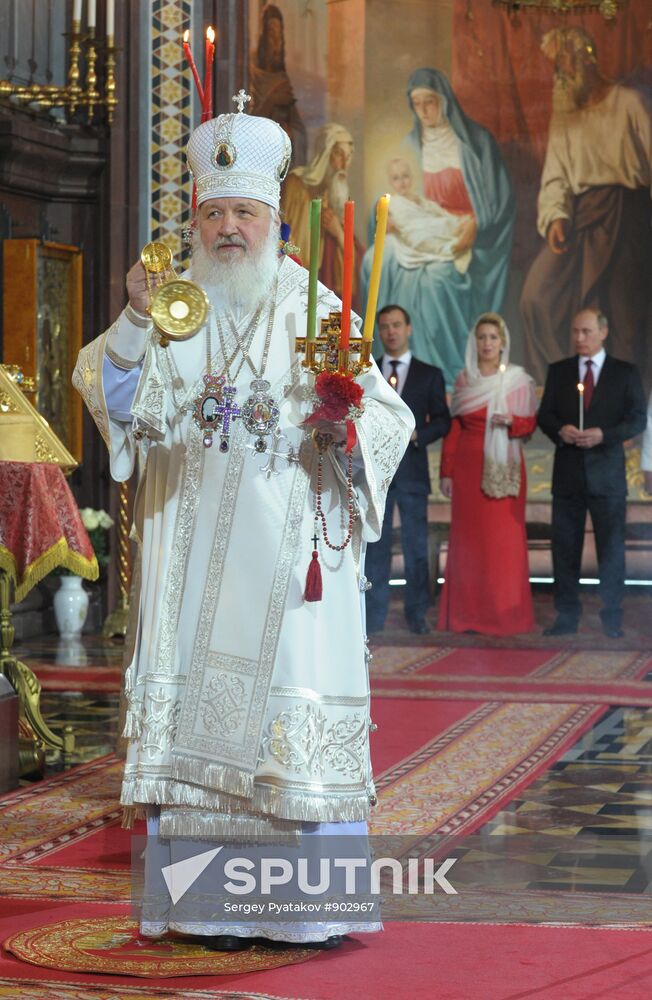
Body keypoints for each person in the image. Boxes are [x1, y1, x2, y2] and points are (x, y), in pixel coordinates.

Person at [73, 102, 414, 949]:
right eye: (214, 212)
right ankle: (208, 911)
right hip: (190, 572)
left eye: (244, 213)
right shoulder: (169, 307)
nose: (228, 228)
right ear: (196, 218)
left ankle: (300, 913)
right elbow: (109, 396)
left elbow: (388, 416)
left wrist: (345, 428)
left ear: (275, 221)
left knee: (280, 734)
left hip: (291, 573)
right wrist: (134, 317)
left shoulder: (318, 307)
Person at [361, 67, 514, 388]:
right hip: (420, 232)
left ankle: (443, 373)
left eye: (430, 101)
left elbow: (499, 201)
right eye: (417, 104)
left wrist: (476, 224)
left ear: (445, 101)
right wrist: (385, 223)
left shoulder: (476, 143)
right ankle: (384, 368)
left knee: (436, 280)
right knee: (378, 258)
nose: (425, 111)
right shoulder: (409, 145)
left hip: (464, 232)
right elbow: (393, 196)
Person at [521, 28, 652, 386]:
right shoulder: (565, 115)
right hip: (581, 218)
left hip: (630, 215)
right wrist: (556, 217)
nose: (561, 73)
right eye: (556, 67)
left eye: (566, 62)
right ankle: (561, 388)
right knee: (537, 296)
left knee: (625, 312)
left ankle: (627, 407)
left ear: (587, 59)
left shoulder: (630, 101)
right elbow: (555, 178)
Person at [537, 308, 646, 638]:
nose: (579, 338)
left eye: (585, 332)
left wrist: (604, 434)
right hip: (568, 475)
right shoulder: (560, 371)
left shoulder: (624, 372)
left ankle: (611, 616)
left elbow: (637, 419)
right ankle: (566, 615)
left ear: (603, 332)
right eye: (575, 332)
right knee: (565, 549)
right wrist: (562, 430)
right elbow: (545, 416)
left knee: (611, 550)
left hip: (608, 477)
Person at [438, 313, 537, 636]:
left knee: (503, 543)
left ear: (503, 343)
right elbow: (454, 428)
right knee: (468, 544)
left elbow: (529, 426)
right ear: (475, 342)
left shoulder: (518, 380)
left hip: (504, 468)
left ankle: (506, 617)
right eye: (482, 337)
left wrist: (511, 421)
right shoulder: (465, 380)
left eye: (493, 337)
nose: (487, 343)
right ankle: (467, 617)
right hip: (467, 467)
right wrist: (447, 472)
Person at [365, 304, 450, 636]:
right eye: (384, 326)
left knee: (416, 546)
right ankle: (374, 615)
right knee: (377, 545)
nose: (391, 332)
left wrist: (418, 434)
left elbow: (443, 420)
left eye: (397, 325)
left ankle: (417, 613)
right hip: (375, 474)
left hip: (413, 473)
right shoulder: (367, 370)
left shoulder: (429, 374)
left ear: (408, 329)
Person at [281, 122, 365, 304]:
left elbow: (355, 253)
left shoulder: (338, 192)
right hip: (301, 288)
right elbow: (287, 235)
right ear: (324, 153)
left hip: (331, 291)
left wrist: (338, 233)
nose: (344, 164)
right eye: (339, 154)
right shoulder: (298, 185)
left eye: (349, 157)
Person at [383, 156, 473, 273]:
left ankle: (461, 232)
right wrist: (387, 221)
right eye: (396, 178)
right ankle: (452, 248)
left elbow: (438, 211)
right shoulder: (392, 202)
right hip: (409, 232)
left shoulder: (419, 199)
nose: (402, 182)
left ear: (411, 177)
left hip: (427, 225)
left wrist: (455, 220)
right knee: (421, 237)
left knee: (440, 223)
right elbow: (385, 220)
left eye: (405, 176)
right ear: (390, 182)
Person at [249, 3, 307, 167]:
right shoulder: (250, 74)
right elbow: (241, 123)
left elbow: (299, 130)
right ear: (262, 35)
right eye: (271, 33)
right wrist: (271, 101)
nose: (276, 41)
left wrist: (290, 134)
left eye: (279, 34)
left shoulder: (282, 77)